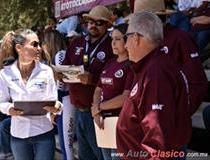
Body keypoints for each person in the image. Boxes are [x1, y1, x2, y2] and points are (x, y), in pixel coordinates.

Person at [117, 12, 192, 160]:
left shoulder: (156, 73)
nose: (125, 45)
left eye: (126, 38)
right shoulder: (156, 66)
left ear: (136, 38)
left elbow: (157, 142)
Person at [0, 29, 62, 160]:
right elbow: (1, 101)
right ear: (19, 48)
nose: (39, 48)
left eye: (39, 44)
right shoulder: (6, 73)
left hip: (44, 133)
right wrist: (9, 109)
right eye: (34, 44)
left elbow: (53, 99)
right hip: (18, 135)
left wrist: (58, 107)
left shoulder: (46, 71)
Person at [59, 5, 115, 159]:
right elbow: (65, 64)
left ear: (107, 25)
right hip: (78, 110)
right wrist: (59, 73)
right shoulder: (76, 42)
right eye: (90, 21)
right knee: (85, 156)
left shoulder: (112, 45)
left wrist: (93, 79)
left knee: (101, 156)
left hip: (99, 112)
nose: (93, 25)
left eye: (99, 23)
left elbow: (115, 80)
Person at [91, 23, 133, 160]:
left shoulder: (131, 65)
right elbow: (98, 90)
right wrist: (97, 112)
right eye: (112, 39)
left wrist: (98, 107)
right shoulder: (110, 63)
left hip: (121, 124)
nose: (113, 43)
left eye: (118, 39)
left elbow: (125, 97)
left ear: (127, 41)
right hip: (104, 123)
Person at [41, 30, 76, 160]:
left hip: (66, 101)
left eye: (43, 43)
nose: (42, 47)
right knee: (64, 145)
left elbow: (60, 84)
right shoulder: (57, 55)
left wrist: (55, 109)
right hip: (64, 102)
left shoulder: (60, 54)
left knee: (67, 145)